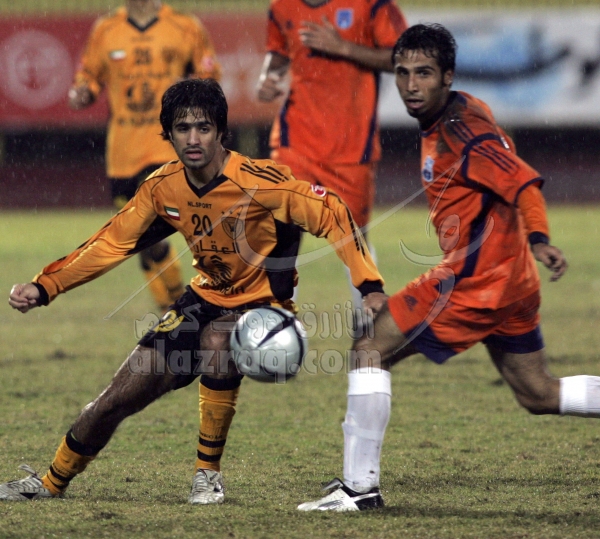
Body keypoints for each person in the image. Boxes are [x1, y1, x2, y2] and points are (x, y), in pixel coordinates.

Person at [1, 78, 386, 504]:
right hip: (201, 300)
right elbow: (110, 243)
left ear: (221, 132)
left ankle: (207, 476)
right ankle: (51, 482)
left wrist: (369, 284)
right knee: (116, 398)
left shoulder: (261, 182)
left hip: (265, 308)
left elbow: (332, 211)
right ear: (168, 134)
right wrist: (46, 285)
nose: (193, 139)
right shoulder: (162, 188)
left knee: (219, 339)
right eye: (182, 129)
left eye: (203, 127)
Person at [296, 23, 600, 513]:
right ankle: (358, 487)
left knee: (369, 349)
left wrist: (540, 238)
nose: (410, 85)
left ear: (447, 76)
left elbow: (522, 183)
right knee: (539, 393)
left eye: (424, 73)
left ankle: (358, 489)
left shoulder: (462, 132)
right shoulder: (462, 110)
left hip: (476, 280)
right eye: (402, 73)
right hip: (512, 280)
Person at [256, 0, 407, 331]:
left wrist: (344, 48)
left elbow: (401, 57)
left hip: (350, 146)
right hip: (296, 141)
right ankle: (277, 326)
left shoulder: (371, 5)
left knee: (353, 238)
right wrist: (268, 76)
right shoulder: (282, 7)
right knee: (281, 228)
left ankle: (366, 324)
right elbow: (278, 53)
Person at [68, 0, 221, 312]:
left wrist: (192, 88)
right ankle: (172, 310)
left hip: (167, 145)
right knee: (141, 240)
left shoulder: (183, 26)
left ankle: (181, 308)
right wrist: (83, 91)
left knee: (152, 230)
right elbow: (89, 75)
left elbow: (210, 74)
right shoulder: (106, 29)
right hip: (123, 152)